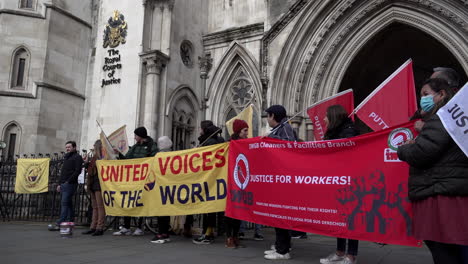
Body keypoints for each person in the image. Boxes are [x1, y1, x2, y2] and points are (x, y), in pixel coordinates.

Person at [397, 78, 468, 264]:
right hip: (449, 189)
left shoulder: (443, 118)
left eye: (426, 94)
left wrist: (404, 148)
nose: (422, 100)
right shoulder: (453, 118)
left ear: (442, 94)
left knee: (444, 251)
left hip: (440, 193)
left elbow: (422, 152)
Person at [319, 105, 360, 264]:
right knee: (339, 219)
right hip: (336, 181)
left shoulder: (349, 131)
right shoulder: (331, 133)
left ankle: (351, 255)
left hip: (349, 182)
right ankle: (340, 252)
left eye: (326, 116)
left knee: (351, 219)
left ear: (334, 117)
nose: (324, 119)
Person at [263, 105, 296, 260]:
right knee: (278, 215)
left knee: (281, 215)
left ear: (273, 116)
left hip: (284, 180)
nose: (267, 119)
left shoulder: (286, 128)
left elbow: (290, 145)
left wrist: (269, 138)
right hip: (278, 178)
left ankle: (283, 251)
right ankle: (280, 245)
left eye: (268, 116)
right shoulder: (280, 129)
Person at [113, 126, 158, 236]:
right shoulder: (134, 147)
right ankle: (126, 227)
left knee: (141, 202)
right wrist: (119, 153)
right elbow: (127, 159)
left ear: (141, 136)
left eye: (136, 135)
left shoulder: (152, 145)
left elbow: (154, 158)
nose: (134, 138)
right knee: (128, 201)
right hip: (133, 179)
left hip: (144, 179)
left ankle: (139, 227)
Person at [193, 120, 225, 245]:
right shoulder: (218, 141)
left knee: (207, 208)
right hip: (216, 178)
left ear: (204, 129)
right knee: (212, 207)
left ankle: (206, 234)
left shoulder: (208, 142)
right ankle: (210, 232)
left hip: (207, 178)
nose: (199, 131)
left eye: (201, 128)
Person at [224, 119, 249, 248]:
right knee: (230, 212)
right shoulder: (229, 145)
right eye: (245, 131)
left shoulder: (244, 144)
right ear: (239, 131)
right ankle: (229, 237)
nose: (247, 133)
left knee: (238, 211)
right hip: (230, 182)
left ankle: (235, 236)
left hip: (240, 182)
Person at [51, 141, 83, 230]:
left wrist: (68, 181)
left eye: (69, 147)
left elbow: (77, 171)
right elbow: (63, 173)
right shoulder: (66, 157)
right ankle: (70, 222)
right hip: (63, 184)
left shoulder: (77, 157)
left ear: (74, 147)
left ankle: (60, 223)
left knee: (64, 203)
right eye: (66, 147)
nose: (67, 148)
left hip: (70, 184)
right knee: (68, 204)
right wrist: (59, 184)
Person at [151, 136, 173, 244]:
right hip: (169, 187)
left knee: (161, 211)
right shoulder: (172, 155)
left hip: (160, 187)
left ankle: (161, 234)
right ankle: (165, 233)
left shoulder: (159, 156)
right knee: (166, 211)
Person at [82, 140, 105, 236]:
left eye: (94, 146)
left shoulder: (102, 158)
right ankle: (93, 226)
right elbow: (91, 170)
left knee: (100, 207)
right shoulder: (94, 158)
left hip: (99, 184)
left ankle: (100, 227)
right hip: (92, 183)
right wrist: (86, 163)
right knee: (94, 207)